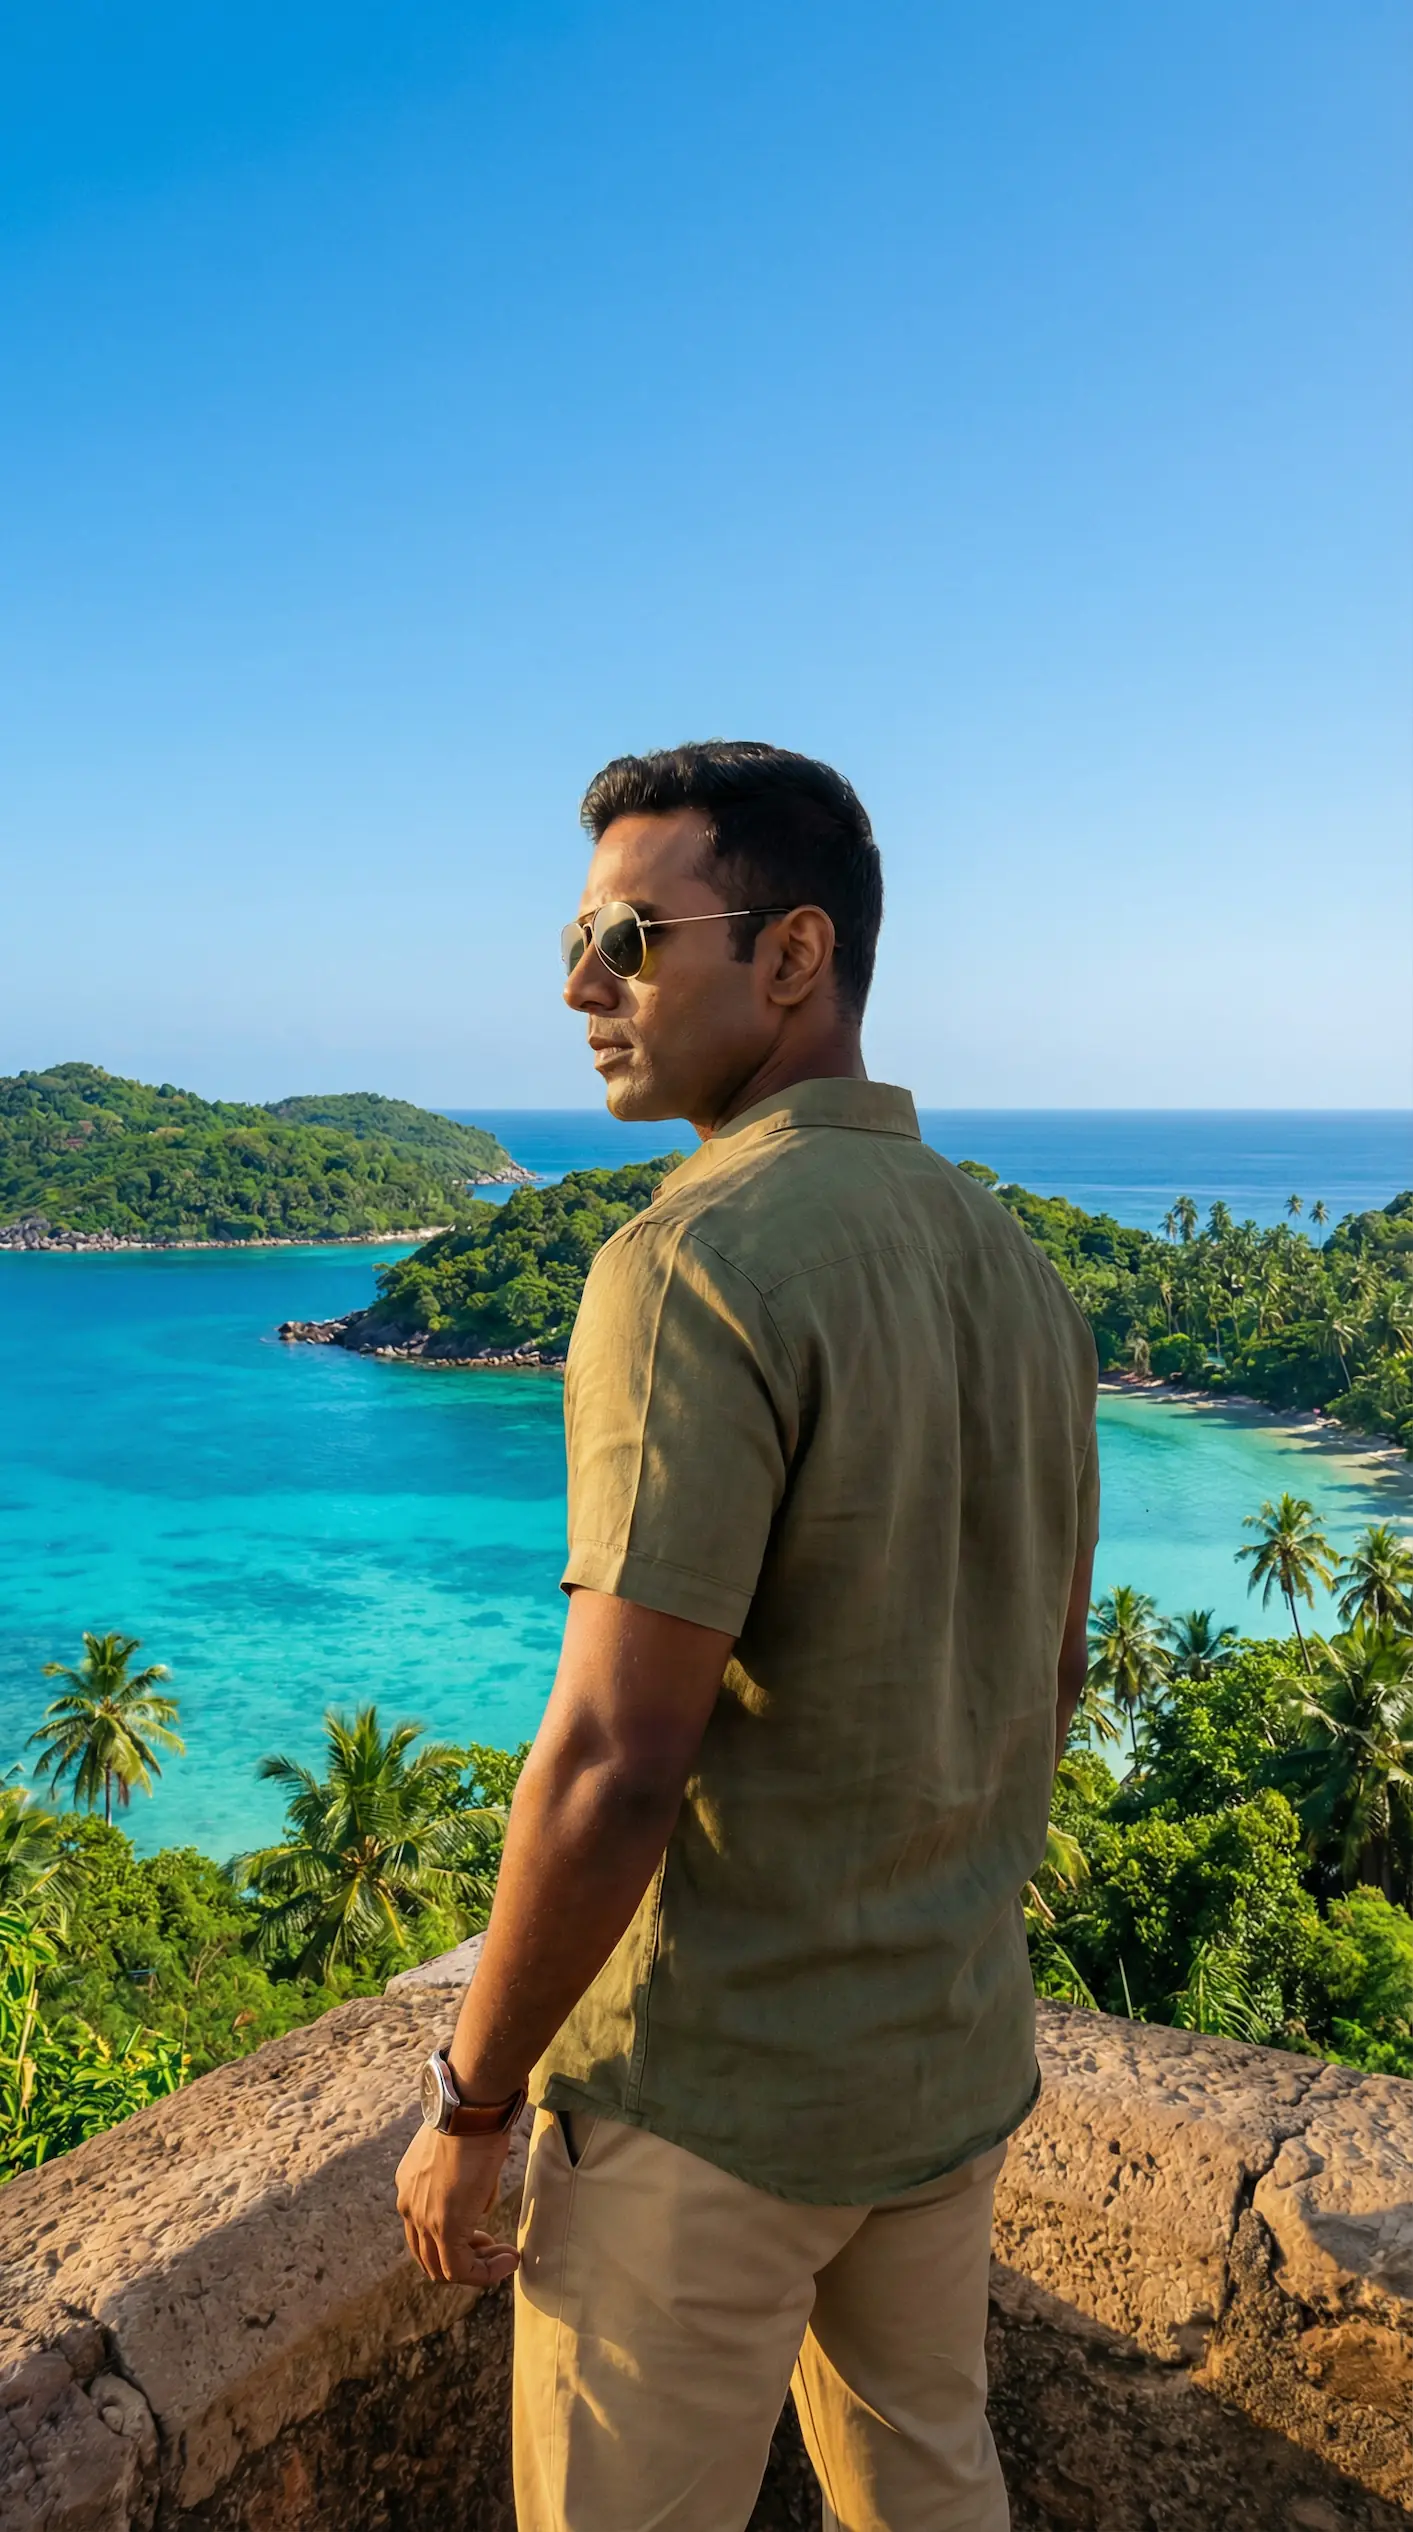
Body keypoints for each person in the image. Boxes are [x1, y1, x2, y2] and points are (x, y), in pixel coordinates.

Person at [395, 741, 1099, 2532]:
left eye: (627, 941)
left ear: (793, 954)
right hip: (940, 2062)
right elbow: (1048, 1679)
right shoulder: (1014, 1270)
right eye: (576, 943)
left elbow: (615, 1759)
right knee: (931, 2493)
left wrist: (473, 2101)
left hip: (709, 2103)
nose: (580, 990)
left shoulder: (690, 1260)